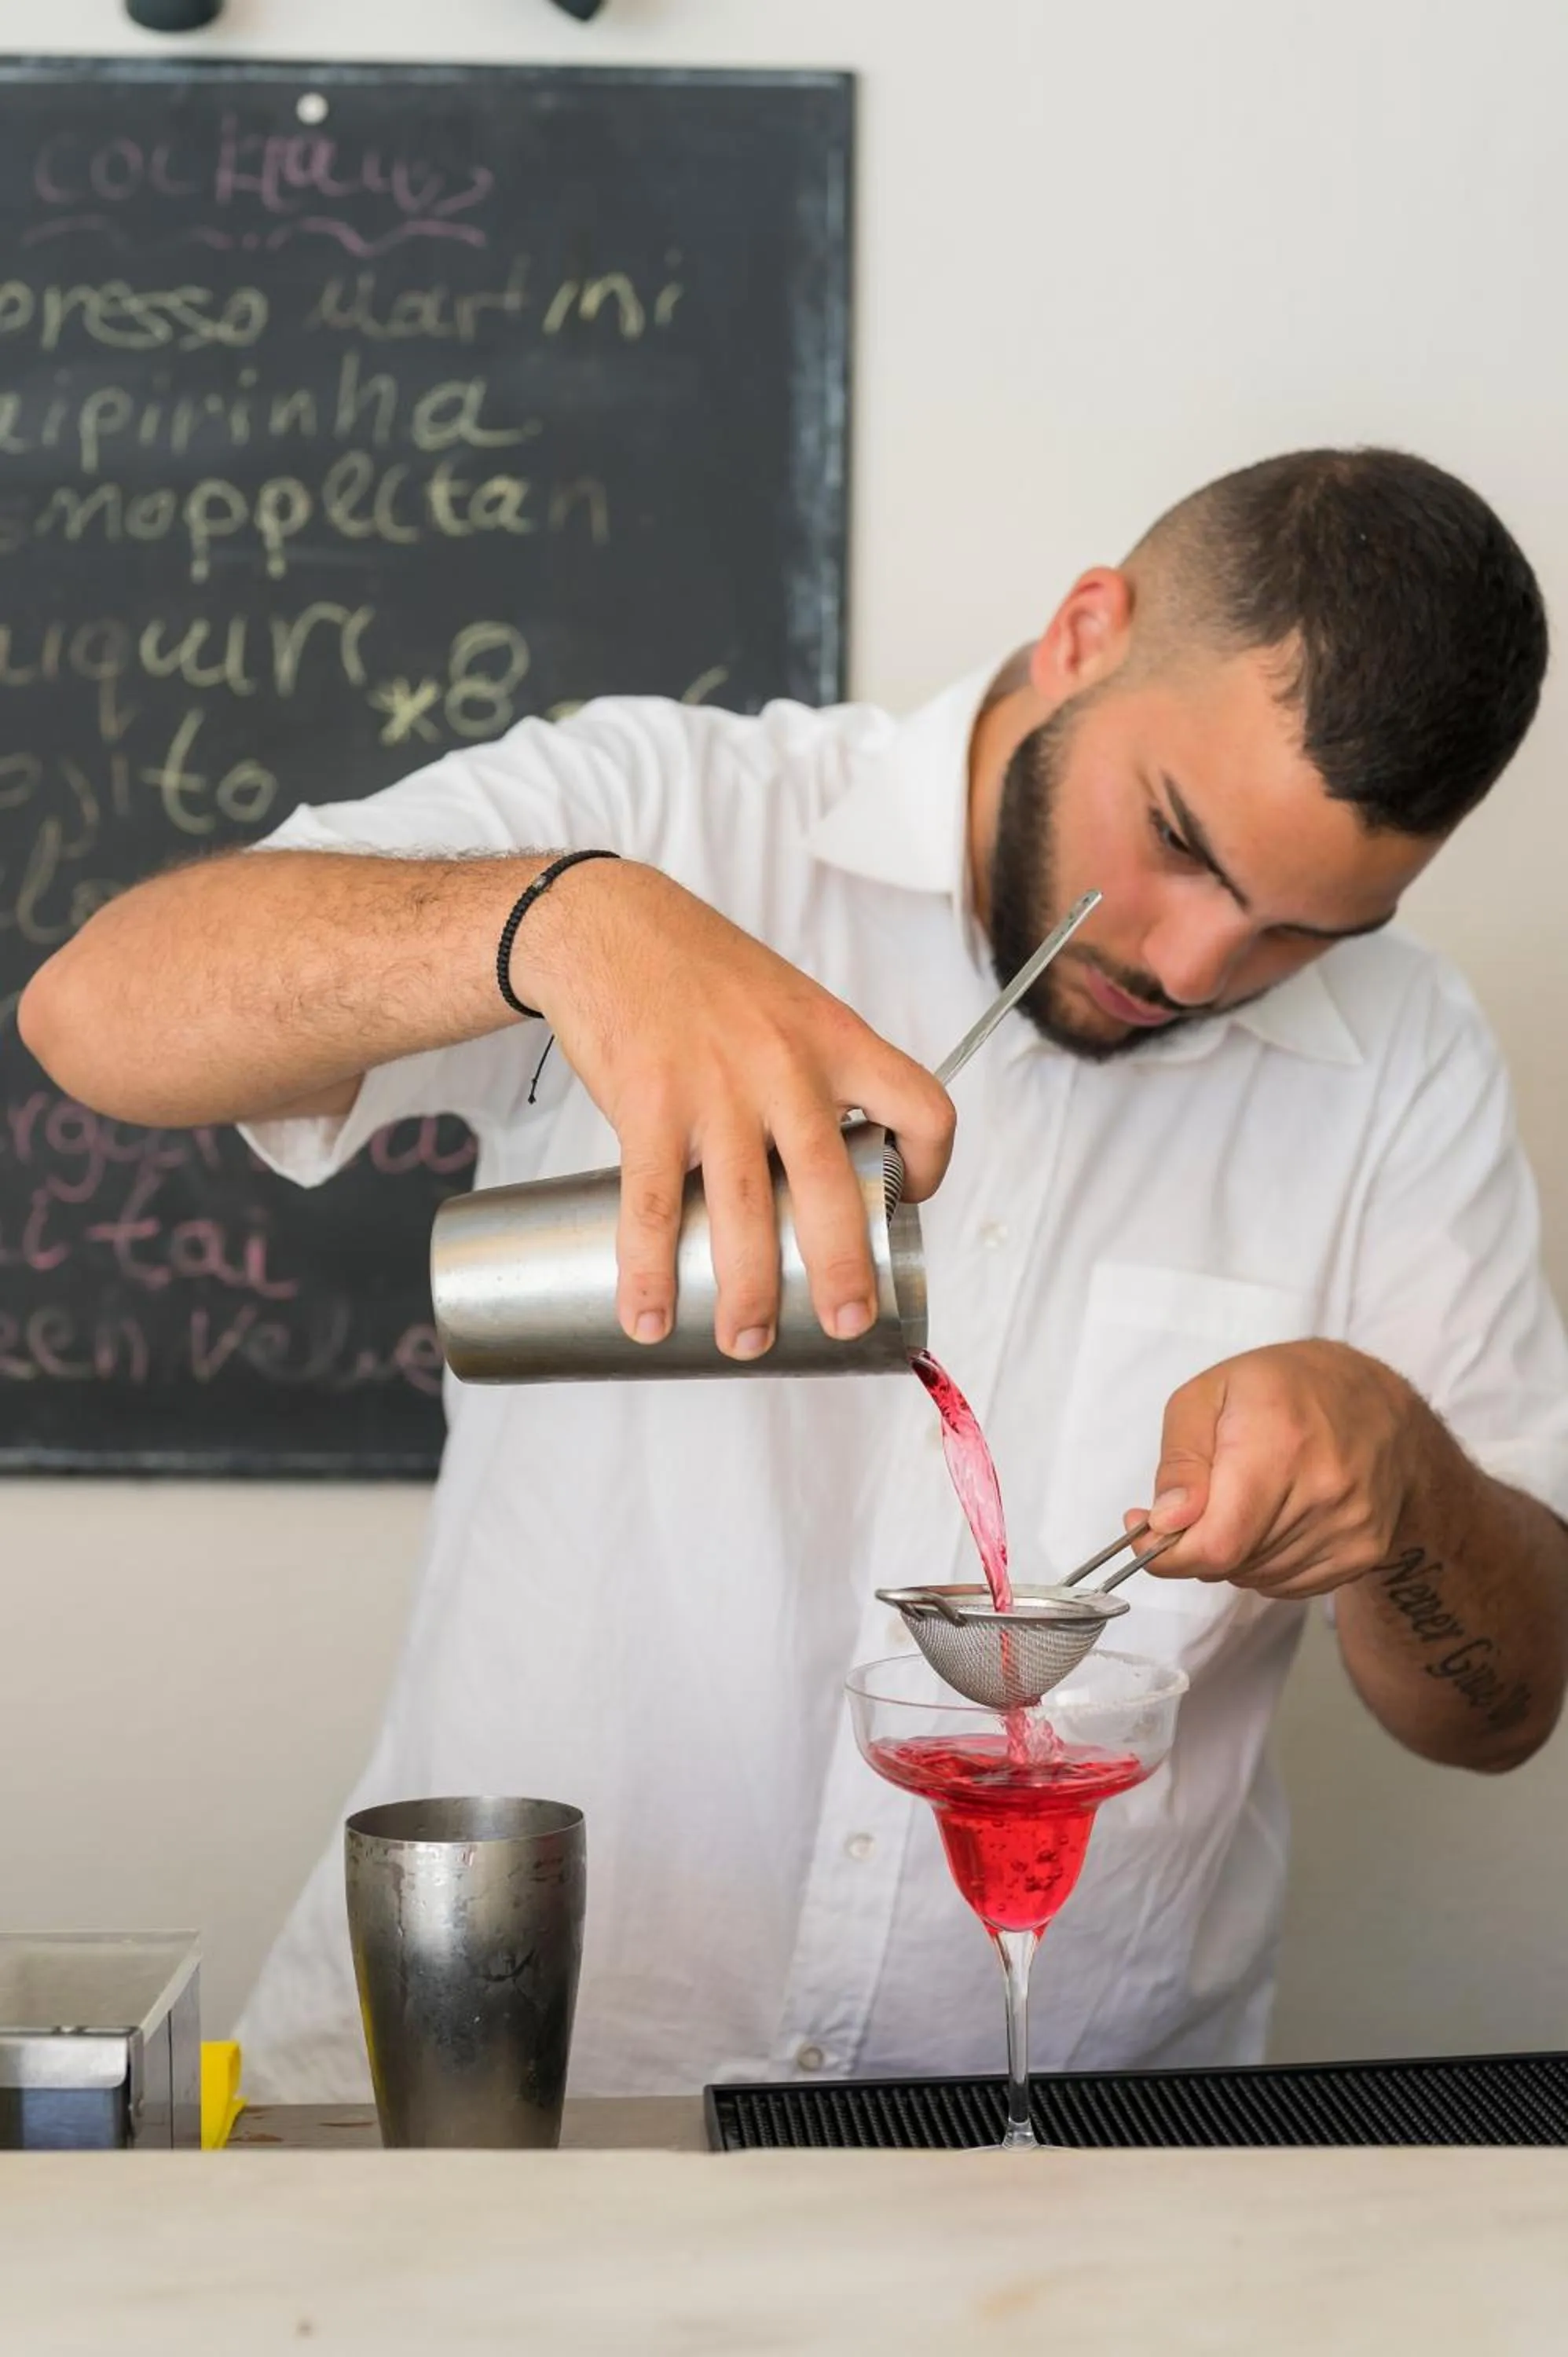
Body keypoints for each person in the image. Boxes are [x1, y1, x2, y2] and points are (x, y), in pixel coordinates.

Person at [21, 447, 1568, 2098]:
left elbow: (1500, 1710)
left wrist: (1407, 1487)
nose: (1194, 966)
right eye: (1178, 841)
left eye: (1303, 932)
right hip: (503, 2109)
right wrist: (558, 925)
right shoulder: (675, 812)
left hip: (1066, 2161)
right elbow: (92, 1012)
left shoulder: (1401, 1059)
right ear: (1085, 633)